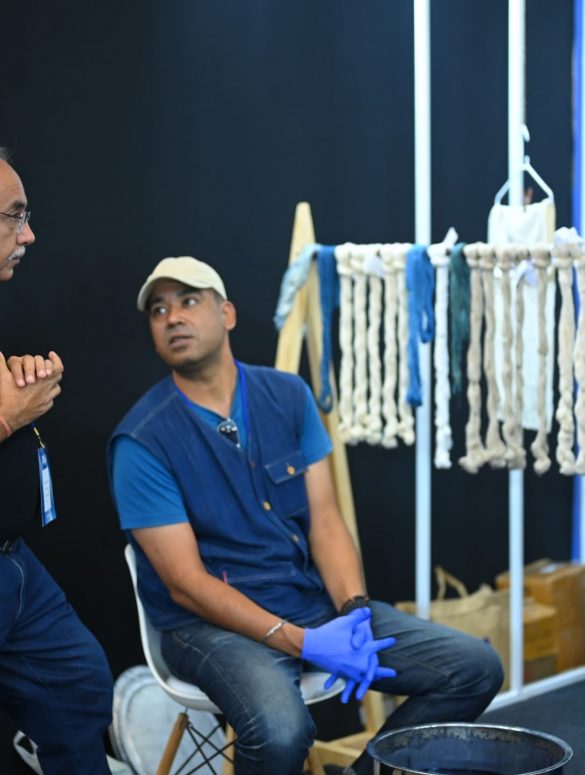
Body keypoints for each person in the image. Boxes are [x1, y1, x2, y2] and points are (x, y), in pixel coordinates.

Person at [109, 256, 504, 775]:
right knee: (280, 730)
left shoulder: (288, 396)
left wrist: (353, 613)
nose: (173, 317)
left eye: (188, 301)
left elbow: (326, 521)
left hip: (304, 600)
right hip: (206, 628)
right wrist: (305, 642)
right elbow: (185, 585)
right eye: (159, 310)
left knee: (475, 668)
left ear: (227, 314)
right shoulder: (141, 440)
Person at [0, 147, 113, 775]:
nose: (29, 235)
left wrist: (17, 383)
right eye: (15, 216)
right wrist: (10, 415)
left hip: (14, 562)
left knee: (78, 683)